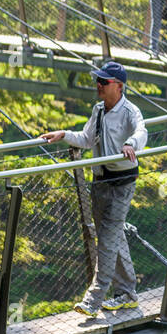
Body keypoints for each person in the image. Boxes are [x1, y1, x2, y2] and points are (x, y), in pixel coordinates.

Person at [40, 61, 148, 315]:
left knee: (107, 240)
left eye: (104, 82)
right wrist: (64, 134)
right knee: (112, 236)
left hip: (122, 183)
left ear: (119, 86)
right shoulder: (98, 110)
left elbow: (142, 132)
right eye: (97, 81)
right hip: (99, 181)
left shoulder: (131, 111)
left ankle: (93, 300)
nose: (98, 85)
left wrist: (131, 144)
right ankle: (127, 293)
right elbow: (87, 140)